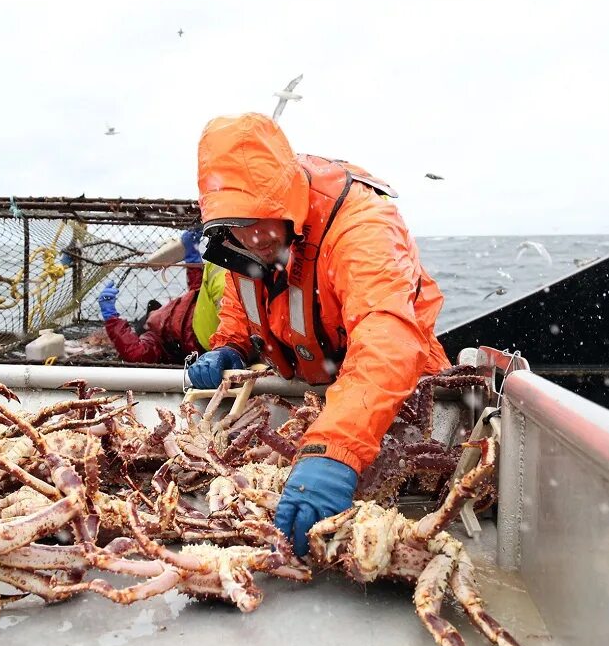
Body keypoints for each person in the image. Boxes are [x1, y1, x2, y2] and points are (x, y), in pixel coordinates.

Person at [186, 112, 449, 556]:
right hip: (310, 404)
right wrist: (229, 346)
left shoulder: (362, 226)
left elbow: (388, 335)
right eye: (236, 227)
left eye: (260, 223)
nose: (251, 240)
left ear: (287, 203)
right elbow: (241, 299)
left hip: (402, 408)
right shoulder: (244, 241)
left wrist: (338, 448)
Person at [97, 228, 226, 364]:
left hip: (211, 313)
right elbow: (136, 354)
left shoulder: (173, 315)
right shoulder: (157, 338)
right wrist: (111, 318)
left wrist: (192, 257)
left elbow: (198, 290)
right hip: (207, 336)